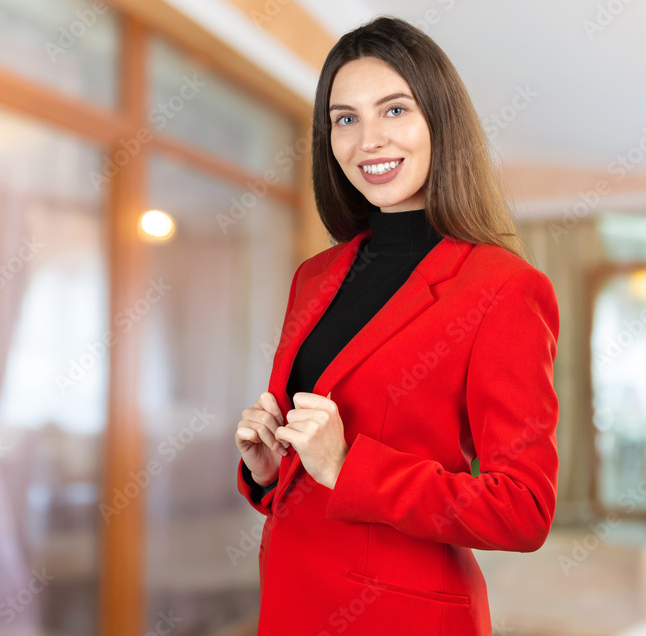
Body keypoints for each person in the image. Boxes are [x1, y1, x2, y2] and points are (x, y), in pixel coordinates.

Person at [233, 15, 560, 635]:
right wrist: (272, 469)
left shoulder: (503, 288)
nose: (368, 140)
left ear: (440, 120)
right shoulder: (315, 275)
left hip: (400, 616)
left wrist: (348, 465)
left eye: (394, 110)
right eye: (345, 118)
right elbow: (312, 468)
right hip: (289, 601)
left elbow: (524, 510)